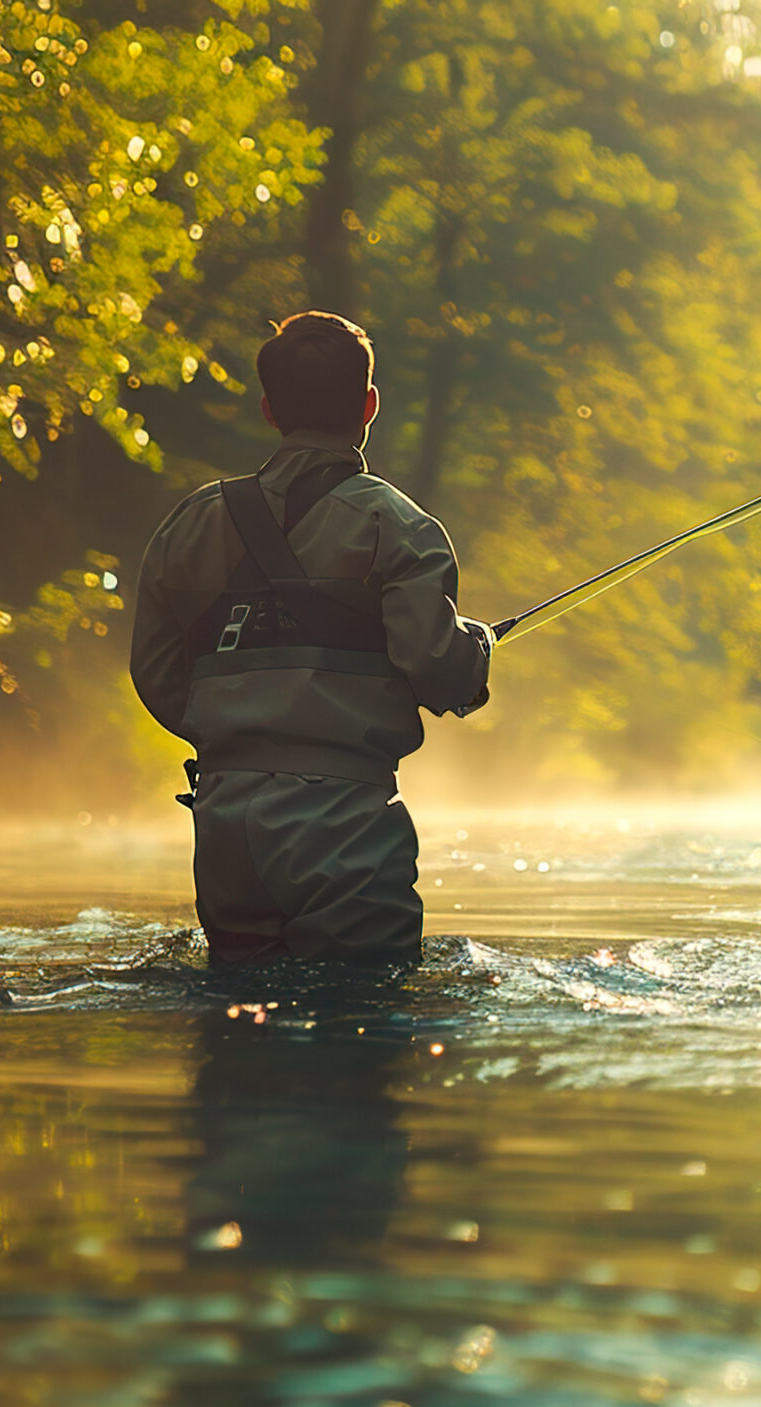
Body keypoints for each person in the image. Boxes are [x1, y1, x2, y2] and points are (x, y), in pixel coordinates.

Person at [129, 311, 491, 962]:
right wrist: (478, 651)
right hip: (345, 828)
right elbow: (438, 668)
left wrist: (236, 731)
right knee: (362, 1019)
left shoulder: (190, 524)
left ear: (270, 409)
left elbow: (155, 671)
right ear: (368, 405)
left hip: (224, 824)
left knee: (240, 1026)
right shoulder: (399, 527)